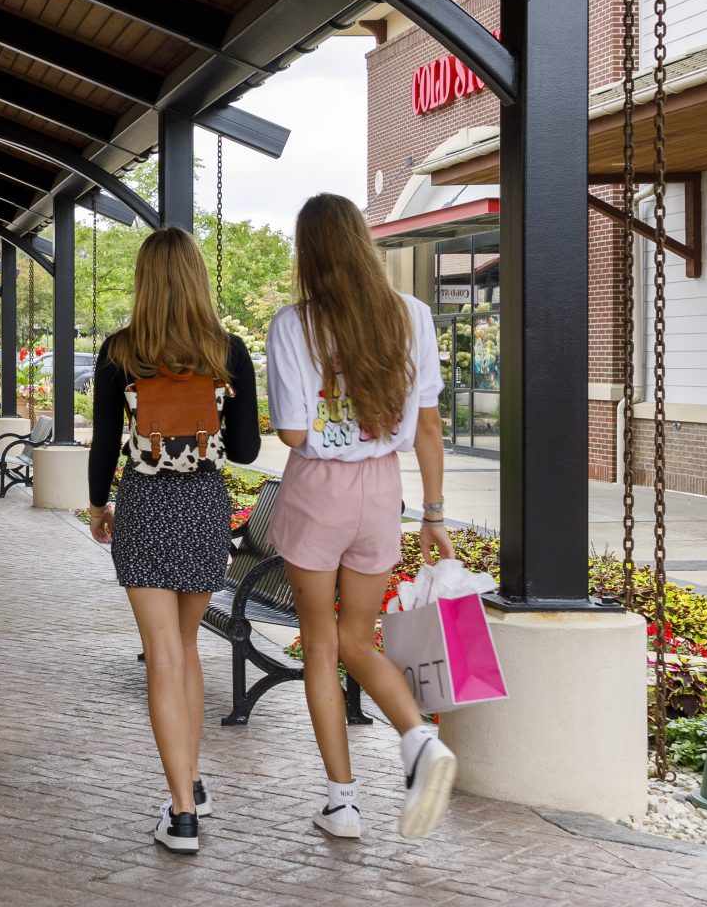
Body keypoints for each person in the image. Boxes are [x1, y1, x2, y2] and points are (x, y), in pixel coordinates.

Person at [264, 192, 457, 841]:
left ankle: (342, 803)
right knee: (359, 639)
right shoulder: (413, 316)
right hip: (383, 491)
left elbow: (292, 433)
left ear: (309, 252)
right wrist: (433, 513)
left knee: (322, 644)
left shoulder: (294, 326)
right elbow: (428, 423)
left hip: (319, 489)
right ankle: (417, 739)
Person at [86, 227, 261, 855]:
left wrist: (99, 507)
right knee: (186, 651)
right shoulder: (228, 351)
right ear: (196, 278)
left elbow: (105, 442)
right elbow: (244, 450)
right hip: (203, 507)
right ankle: (191, 779)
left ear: (143, 282)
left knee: (162, 654)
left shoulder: (120, 352)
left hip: (144, 504)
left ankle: (182, 812)